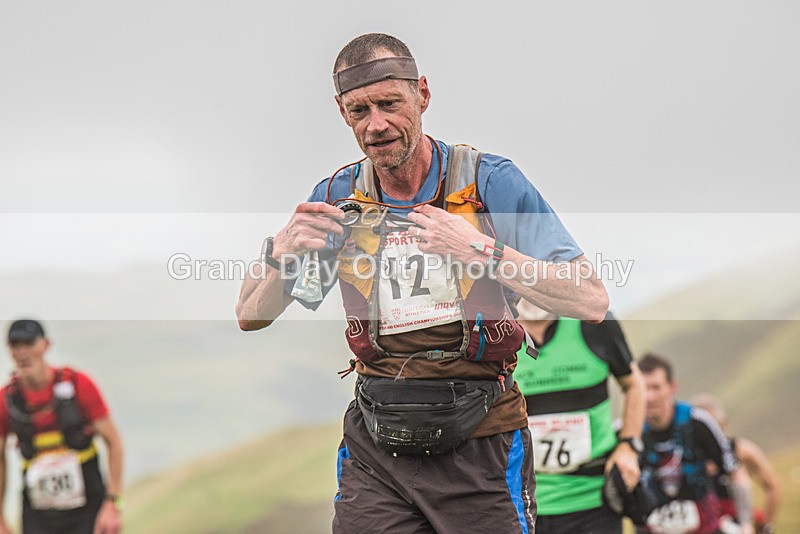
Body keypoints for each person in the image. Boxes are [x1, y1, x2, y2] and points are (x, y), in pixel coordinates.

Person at [236, 32, 608, 532]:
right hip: (378, 448)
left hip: (482, 445)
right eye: (358, 111)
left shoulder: (491, 182)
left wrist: (479, 249)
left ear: (423, 95)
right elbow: (250, 315)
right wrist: (281, 248)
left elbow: (589, 298)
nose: (376, 125)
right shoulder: (338, 197)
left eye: (389, 104)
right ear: (342, 112)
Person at [513, 299, 646, 533]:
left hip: (594, 503)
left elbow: (635, 384)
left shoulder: (594, 323)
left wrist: (628, 446)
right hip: (522, 506)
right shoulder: (495, 333)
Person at [0, 320, 123, 534]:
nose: (22, 352)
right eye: (15, 345)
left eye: (29, 343)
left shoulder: (78, 385)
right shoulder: (6, 400)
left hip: (88, 505)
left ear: (46, 345)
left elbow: (114, 442)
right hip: (38, 511)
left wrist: (112, 503)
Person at [638, 353, 751, 534]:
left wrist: (746, 525)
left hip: (704, 526)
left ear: (671, 386)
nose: (649, 397)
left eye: (656, 387)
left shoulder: (698, 422)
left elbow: (735, 473)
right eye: (643, 388)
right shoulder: (628, 431)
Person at [691, 393, 781, 534]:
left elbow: (773, 486)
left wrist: (764, 527)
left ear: (723, 422)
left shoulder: (742, 451)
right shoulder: (686, 457)